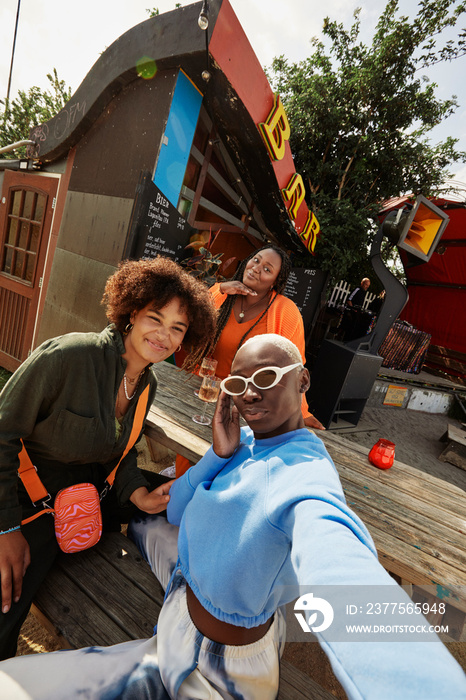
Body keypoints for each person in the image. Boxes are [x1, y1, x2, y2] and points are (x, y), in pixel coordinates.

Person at [1, 334, 465, 699]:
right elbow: (179, 508)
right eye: (238, 385)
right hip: (185, 595)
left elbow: (340, 564)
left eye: (266, 378)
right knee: (143, 519)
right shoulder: (245, 443)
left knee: (12, 685)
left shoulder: (305, 478)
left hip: (211, 667)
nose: (250, 396)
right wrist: (216, 454)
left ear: (303, 381)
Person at [0, 256, 217, 660]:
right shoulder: (68, 356)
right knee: (6, 608)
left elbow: (122, 453)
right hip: (28, 501)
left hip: (89, 491)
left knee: (192, 498)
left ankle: (207, 629)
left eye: (177, 328)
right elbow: (1, 433)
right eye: (155, 318)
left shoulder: (146, 384)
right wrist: (5, 528)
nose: (163, 335)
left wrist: (137, 494)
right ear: (132, 313)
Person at [173, 244, 324, 476]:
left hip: (250, 398)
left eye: (267, 269)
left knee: (229, 466)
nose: (256, 268)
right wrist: (221, 288)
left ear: (275, 280)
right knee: (189, 452)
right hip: (207, 390)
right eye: (255, 260)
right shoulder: (227, 296)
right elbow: (190, 310)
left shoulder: (286, 311)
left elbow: (295, 365)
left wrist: (302, 412)